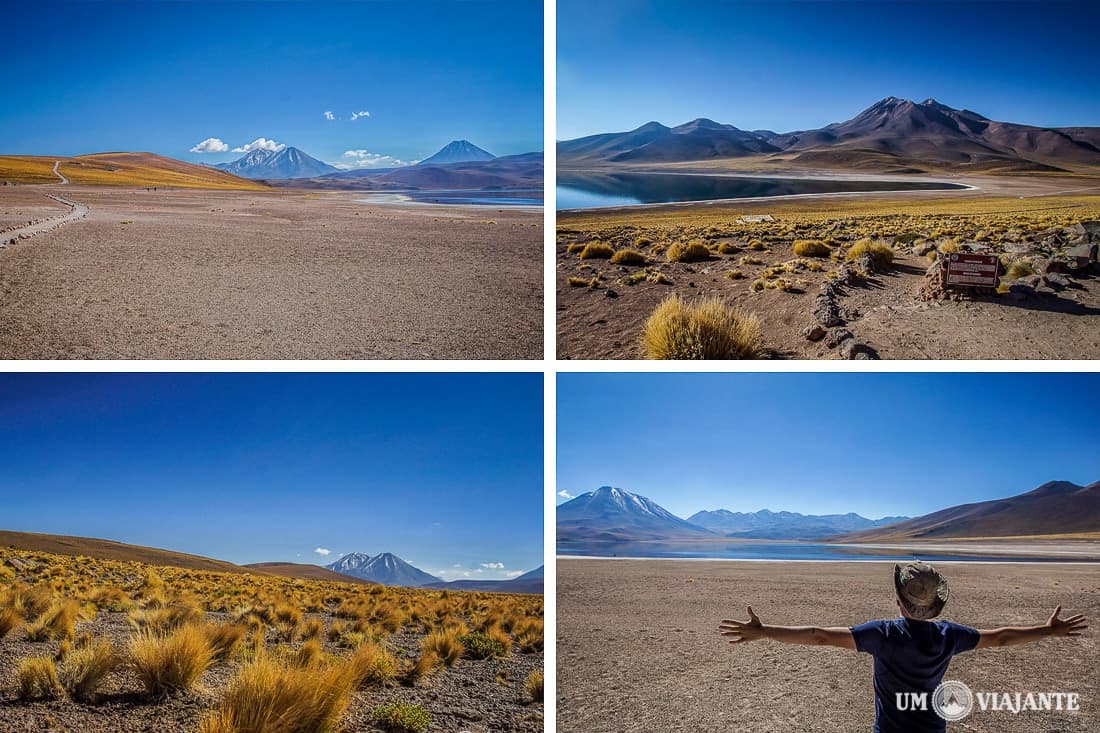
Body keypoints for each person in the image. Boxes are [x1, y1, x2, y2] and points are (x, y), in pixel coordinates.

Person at [718, 561, 1088, 733]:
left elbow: (819, 635)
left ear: (899, 600)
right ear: (936, 605)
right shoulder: (949, 636)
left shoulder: (883, 634)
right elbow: (1001, 637)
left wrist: (764, 631)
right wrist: (1048, 631)